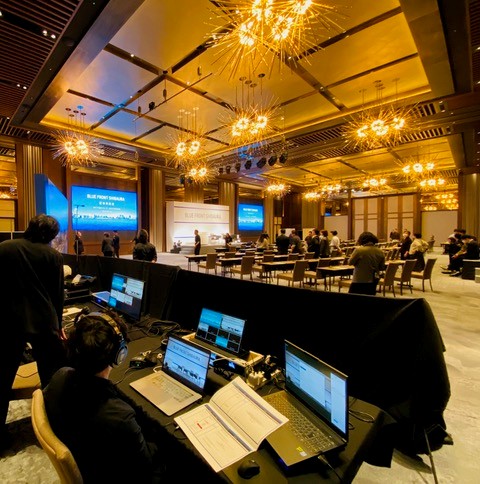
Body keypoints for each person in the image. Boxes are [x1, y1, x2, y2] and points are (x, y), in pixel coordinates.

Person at [43, 310, 166, 483]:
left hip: (84, 457)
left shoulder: (60, 376)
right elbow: (145, 466)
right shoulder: (119, 416)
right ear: (119, 355)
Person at [0, 214, 66, 449]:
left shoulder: (5, 248)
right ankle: (52, 425)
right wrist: (59, 325)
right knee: (50, 376)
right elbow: (58, 295)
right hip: (43, 322)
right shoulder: (53, 256)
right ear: (52, 235)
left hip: (9, 322)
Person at [348, 231, 386, 296]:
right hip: (373, 280)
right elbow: (382, 267)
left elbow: (350, 262)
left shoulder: (359, 250)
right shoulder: (380, 251)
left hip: (359, 280)